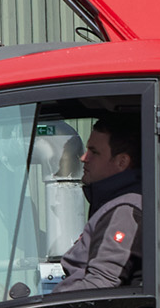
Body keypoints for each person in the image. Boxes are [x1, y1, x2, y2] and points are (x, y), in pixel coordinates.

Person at [49, 108, 145, 288]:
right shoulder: (114, 203)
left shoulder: (125, 211)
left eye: (94, 152)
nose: (84, 158)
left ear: (121, 162)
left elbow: (100, 285)